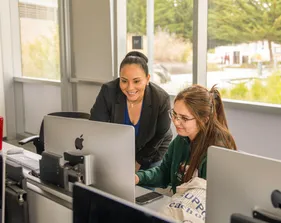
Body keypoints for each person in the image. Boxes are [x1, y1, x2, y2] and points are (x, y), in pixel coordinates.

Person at [135, 84, 237, 193]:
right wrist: (138, 177)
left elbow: (212, 198)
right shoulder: (181, 140)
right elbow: (164, 172)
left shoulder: (217, 150)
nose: (176, 122)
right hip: (181, 204)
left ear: (204, 119)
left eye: (184, 118)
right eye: (174, 114)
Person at [89, 51, 173, 172]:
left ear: (147, 79)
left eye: (136, 81)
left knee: (143, 189)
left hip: (153, 149)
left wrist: (139, 162)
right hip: (119, 151)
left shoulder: (160, 98)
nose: (130, 87)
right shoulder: (109, 91)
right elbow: (96, 126)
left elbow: (160, 135)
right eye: (124, 81)